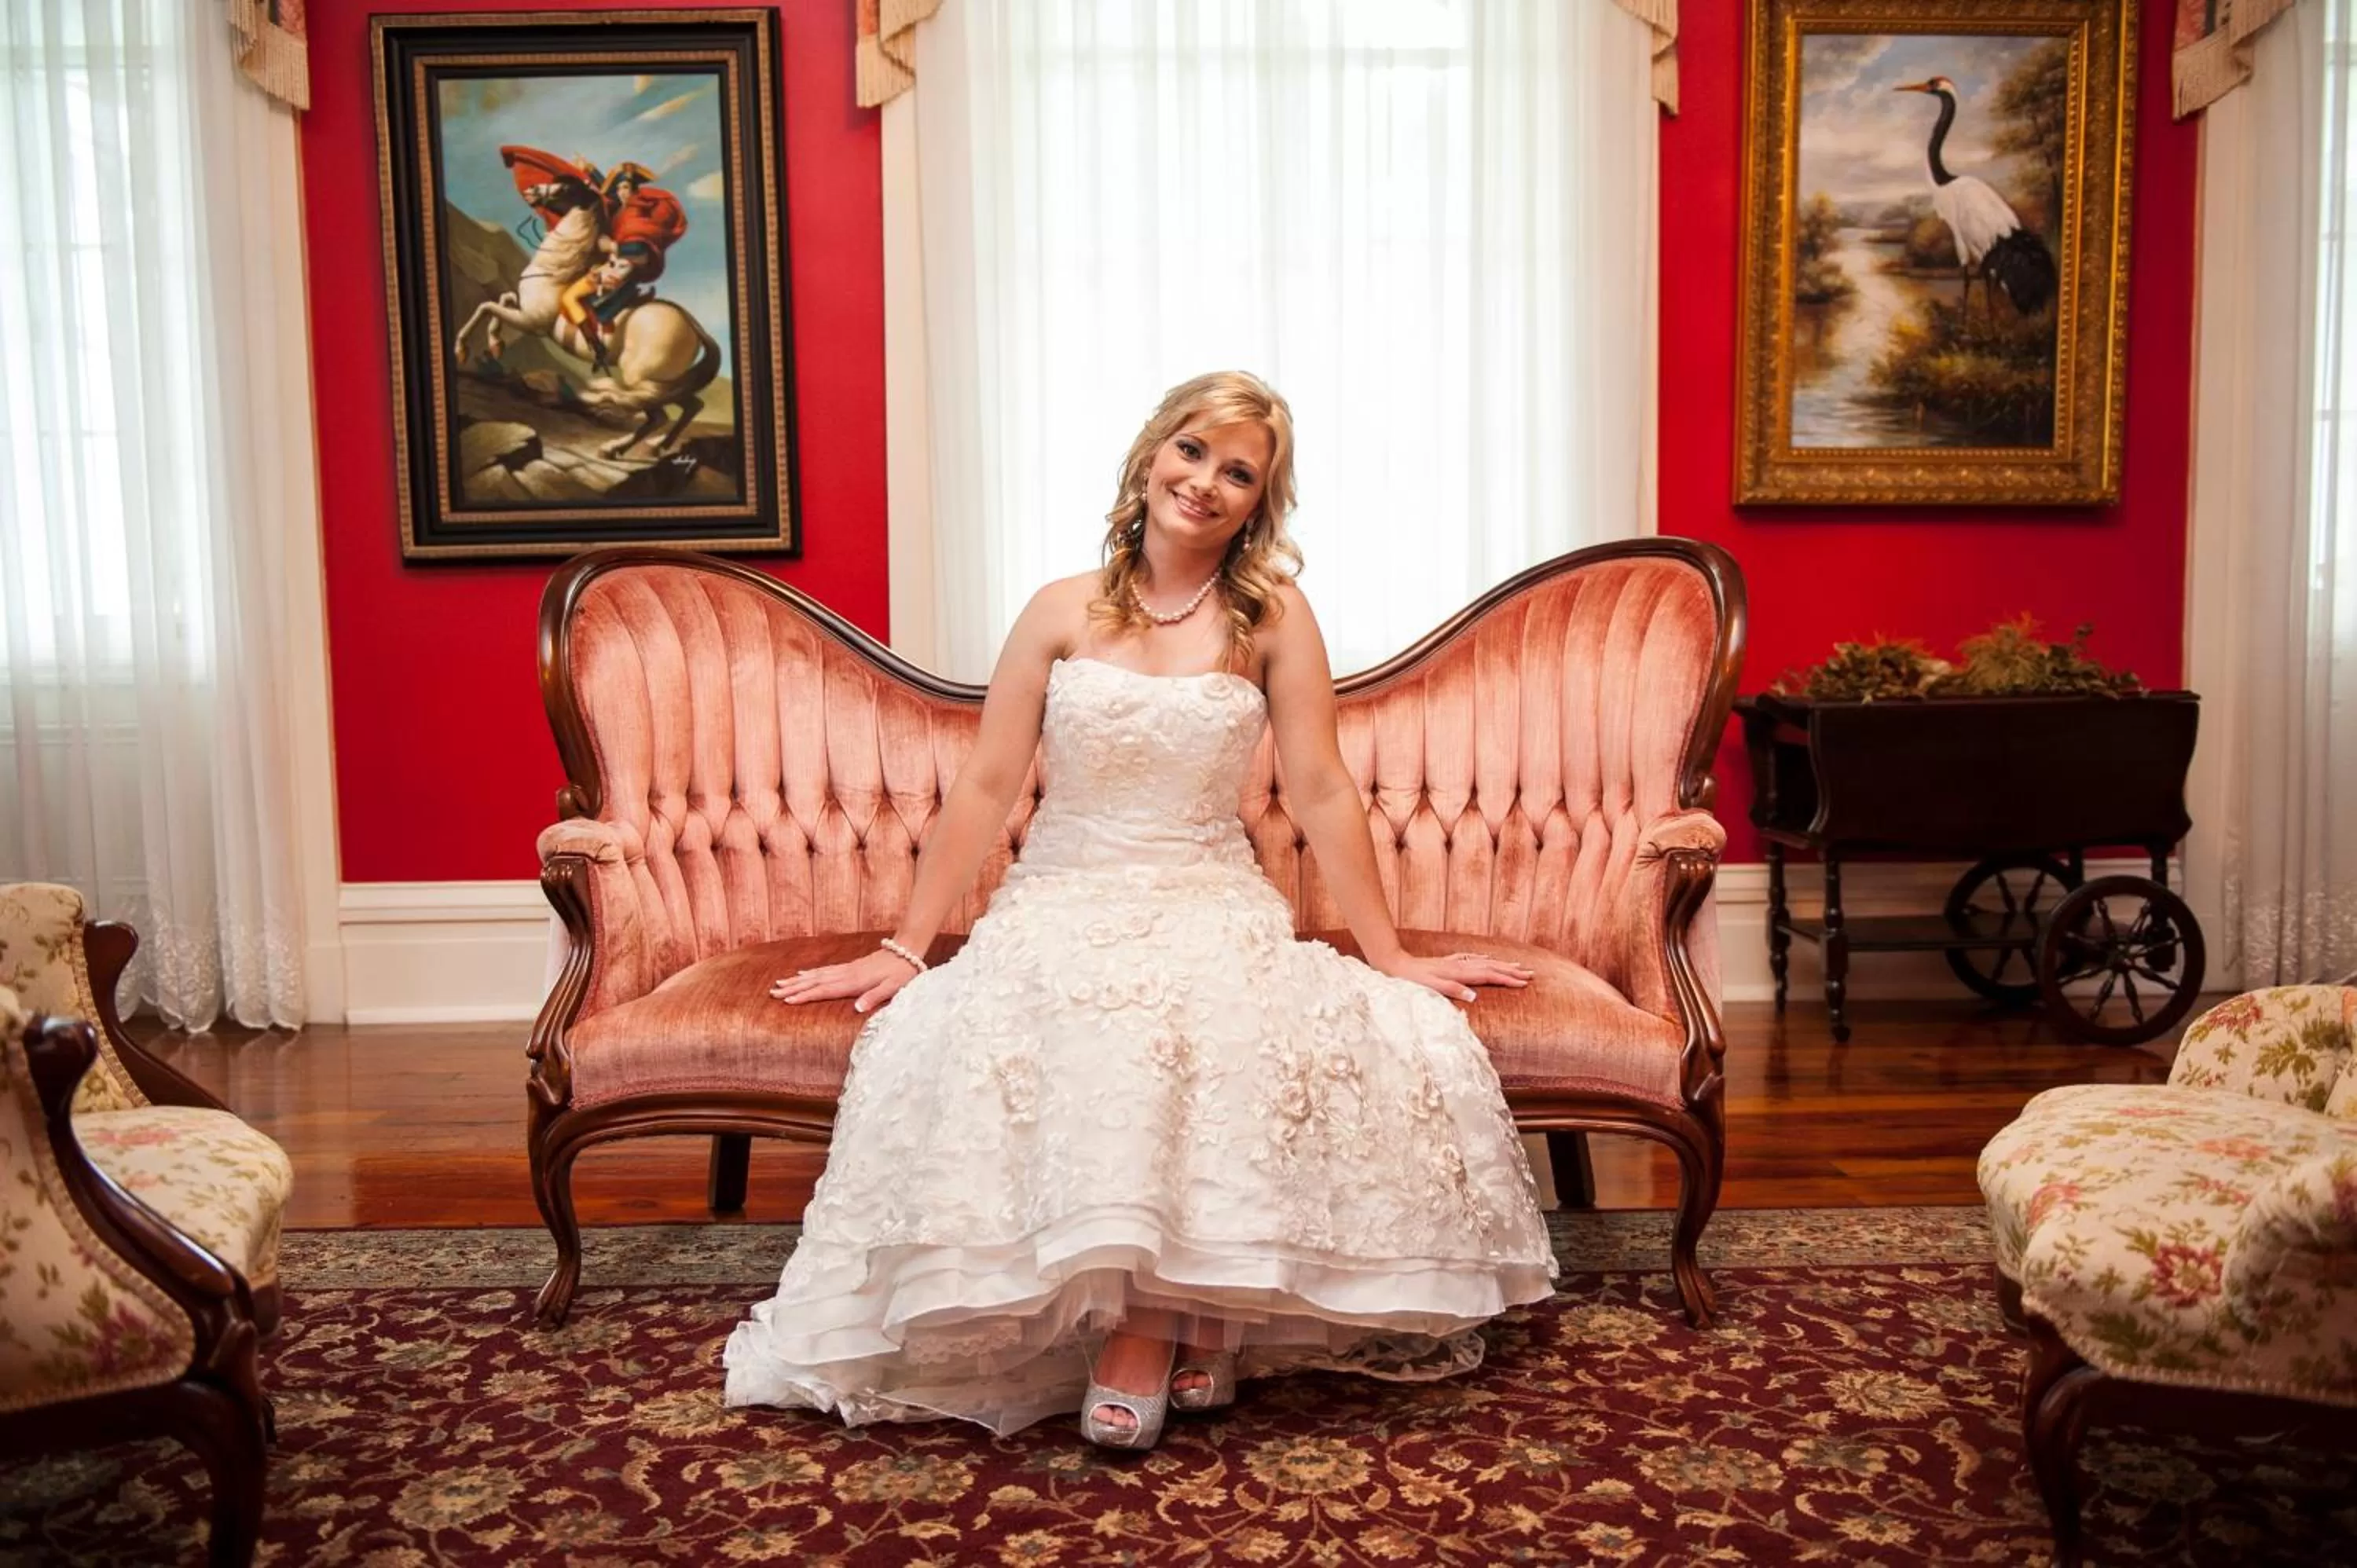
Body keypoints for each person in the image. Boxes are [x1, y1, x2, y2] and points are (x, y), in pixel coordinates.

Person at [724, 371, 1555, 1449]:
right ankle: (1197, 1322)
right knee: (1059, 1025)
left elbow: (1319, 788)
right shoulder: (1059, 609)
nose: (1207, 483)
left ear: (1260, 505)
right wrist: (904, 946)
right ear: (1152, 455)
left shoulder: (1274, 618)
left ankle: (1148, 1332)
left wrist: (1391, 951)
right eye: (1194, 452)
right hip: (1062, 893)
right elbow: (985, 787)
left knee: (1213, 1021)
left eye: (1240, 472)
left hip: (1209, 892)